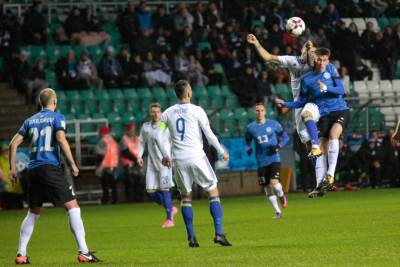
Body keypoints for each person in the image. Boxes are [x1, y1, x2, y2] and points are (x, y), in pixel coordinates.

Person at [9, 88, 100, 264]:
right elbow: (60, 138)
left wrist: (12, 169)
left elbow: (13, 144)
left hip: (33, 170)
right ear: (55, 101)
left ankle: (21, 254)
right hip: (50, 168)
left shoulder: (30, 120)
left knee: (33, 212)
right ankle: (84, 252)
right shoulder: (57, 117)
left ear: (40, 102)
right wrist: (73, 163)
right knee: (73, 207)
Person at [156, 80, 232, 247]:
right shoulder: (197, 110)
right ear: (189, 93)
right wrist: (221, 151)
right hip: (196, 156)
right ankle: (219, 233)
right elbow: (210, 135)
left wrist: (166, 155)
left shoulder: (167, 113)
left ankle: (191, 237)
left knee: (186, 197)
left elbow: (159, 136)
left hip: (179, 160)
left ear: (177, 94)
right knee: (212, 190)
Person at [276, 48, 350, 197]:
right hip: (324, 115)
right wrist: (287, 105)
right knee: (320, 149)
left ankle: (330, 175)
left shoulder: (331, 69)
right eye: (319, 60)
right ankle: (319, 186)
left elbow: (342, 90)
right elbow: (303, 100)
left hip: (340, 110)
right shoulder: (307, 79)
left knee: (334, 134)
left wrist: (326, 87)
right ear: (315, 60)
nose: (322, 62)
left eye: (324, 60)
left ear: (328, 60)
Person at [247, 34, 322, 158]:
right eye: (305, 47)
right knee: (308, 144)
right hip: (299, 104)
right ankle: (319, 174)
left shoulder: (316, 65)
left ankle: (327, 170)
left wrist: (310, 52)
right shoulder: (292, 60)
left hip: (315, 103)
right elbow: (269, 57)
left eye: (312, 49)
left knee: (319, 141)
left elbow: (314, 62)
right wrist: (256, 43)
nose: (308, 49)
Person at [244, 102, 289, 218]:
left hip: (274, 158)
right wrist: (247, 148)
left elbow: (285, 137)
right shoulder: (250, 128)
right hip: (261, 161)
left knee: (274, 183)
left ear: (265, 112)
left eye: (262, 110)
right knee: (267, 188)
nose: (259, 113)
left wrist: (279, 146)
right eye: (257, 110)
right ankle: (278, 212)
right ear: (254, 112)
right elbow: (246, 141)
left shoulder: (273, 124)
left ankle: (282, 194)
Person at [137, 103, 177, 228]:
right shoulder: (146, 127)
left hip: (165, 163)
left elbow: (173, 142)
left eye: (158, 112)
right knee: (150, 191)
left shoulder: (166, 126)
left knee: (165, 189)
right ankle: (170, 207)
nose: (155, 114)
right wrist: (139, 156)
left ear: (161, 113)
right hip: (151, 165)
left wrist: (171, 157)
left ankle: (169, 219)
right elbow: (142, 142)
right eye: (153, 112)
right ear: (150, 113)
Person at [119, 123, 144, 202]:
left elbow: (141, 150)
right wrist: (136, 160)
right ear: (128, 130)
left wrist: (139, 160)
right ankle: (130, 199)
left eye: (133, 129)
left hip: (137, 163)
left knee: (138, 181)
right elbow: (125, 152)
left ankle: (138, 199)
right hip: (128, 164)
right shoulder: (124, 139)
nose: (132, 131)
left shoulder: (137, 138)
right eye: (131, 129)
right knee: (130, 182)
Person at [95, 126, 119, 204]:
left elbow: (99, 153)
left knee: (105, 185)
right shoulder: (113, 141)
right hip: (113, 164)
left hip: (105, 165)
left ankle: (105, 199)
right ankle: (114, 199)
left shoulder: (103, 141)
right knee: (113, 184)